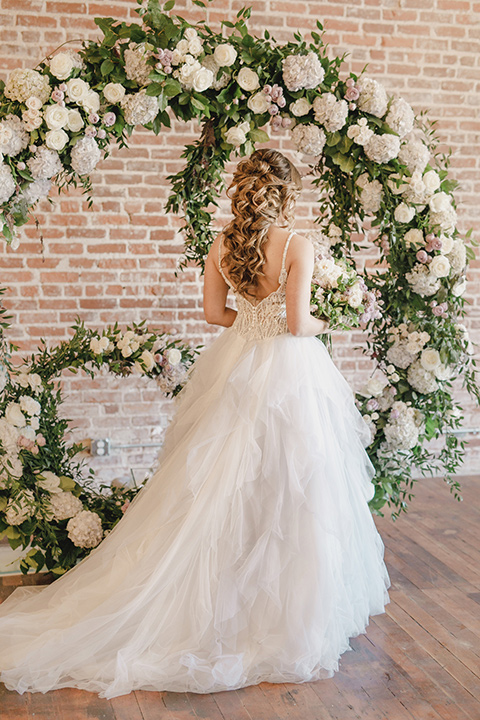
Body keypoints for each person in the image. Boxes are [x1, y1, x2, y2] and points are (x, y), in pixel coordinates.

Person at [0, 148, 390, 699]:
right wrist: (330, 315)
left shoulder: (223, 244)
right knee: (293, 485)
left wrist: (252, 319)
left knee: (220, 483)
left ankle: (220, 596)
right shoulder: (299, 245)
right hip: (290, 370)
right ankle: (278, 612)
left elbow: (213, 314)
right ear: (286, 195)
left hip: (236, 362)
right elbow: (301, 322)